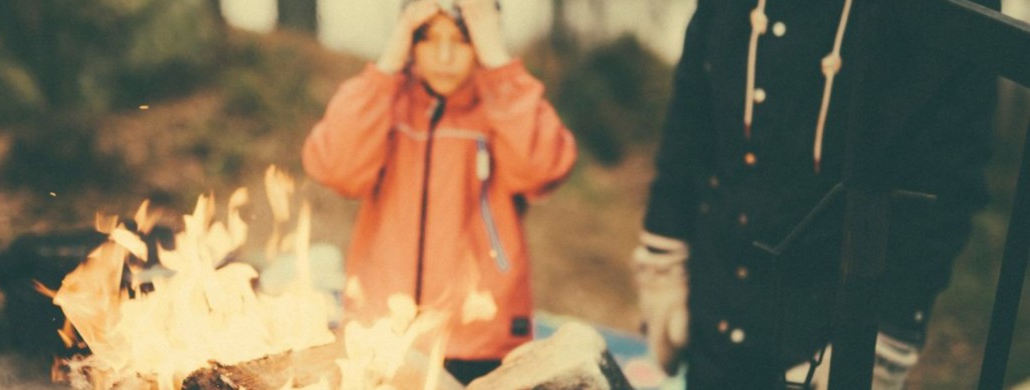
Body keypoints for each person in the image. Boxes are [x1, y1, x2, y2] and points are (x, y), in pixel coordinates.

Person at [635, 0, 997, 389]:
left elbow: (946, 180)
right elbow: (691, 114)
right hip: (712, 313)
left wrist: (885, 341)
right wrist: (663, 261)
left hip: (830, 339)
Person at [301, 0, 576, 384]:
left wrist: (496, 60)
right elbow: (334, 167)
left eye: (461, 40)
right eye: (428, 39)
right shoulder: (387, 104)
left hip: (480, 341)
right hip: (382, 335)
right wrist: (388, 63)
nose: (445, 56)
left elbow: (543, 168)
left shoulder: (502, 104)